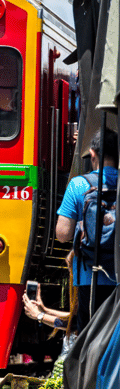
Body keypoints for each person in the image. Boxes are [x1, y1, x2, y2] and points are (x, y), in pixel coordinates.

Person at [55, 129, 118, 333]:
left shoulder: (78, 185)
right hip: (118, 277)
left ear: (93, 155)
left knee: (90, 338)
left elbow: (62, 234)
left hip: (89, 277)